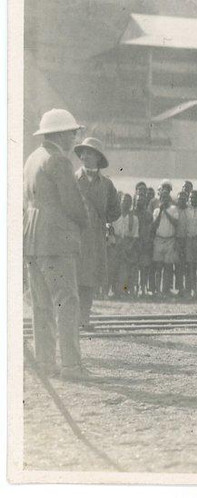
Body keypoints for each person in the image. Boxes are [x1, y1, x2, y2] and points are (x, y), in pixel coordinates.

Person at [24, 108, 90, 379]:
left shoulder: (33, 158)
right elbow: (73, 204)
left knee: (41, 306)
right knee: (67, 302)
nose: (75, 137)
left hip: (33, 240)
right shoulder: (59, 161)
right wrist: (84, 222)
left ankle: (45, 363)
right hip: (56, 241)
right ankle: (72, 366)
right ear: (61, 134)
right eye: (73, 132)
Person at [73, 137, 120, 327]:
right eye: (83, 152)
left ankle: (84, 318)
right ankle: (72, 320)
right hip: (75, 238)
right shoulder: (72, 179)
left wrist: (102, 221)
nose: (84, 156)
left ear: (98, 158)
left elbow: (115, 210)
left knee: (89, 281)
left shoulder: (107, 184)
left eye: (89, 152)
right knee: (74, 279)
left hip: (96, 240)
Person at [151, 181, 180, 297]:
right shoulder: (157, 210)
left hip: (170, 240)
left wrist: (166, 212)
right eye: (162, 197)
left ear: (169, 198)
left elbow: (175, 223)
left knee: (168, 267)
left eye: (166, 197)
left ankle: (165, 290)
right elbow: (155, 225)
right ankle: (158, 290)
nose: (164, 199)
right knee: (158, 266)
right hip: (159, 239)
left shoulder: (173, 209)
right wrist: (161, 211)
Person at [110, 193, 140, 298]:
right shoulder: (114, 216)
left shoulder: (134, 218)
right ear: (120, 202)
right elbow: (111, 232)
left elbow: (136, 235)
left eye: (128, 202)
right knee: (114, 268)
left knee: (125, 270)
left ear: (131, 204)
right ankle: (114, 291)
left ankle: (124, 291)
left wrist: (129, 247)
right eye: (124, 201)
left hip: (128, 245)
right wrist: (114, 243)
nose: (125, 204)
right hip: (115, 244)